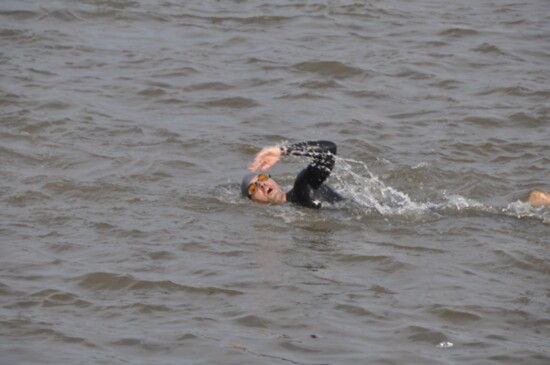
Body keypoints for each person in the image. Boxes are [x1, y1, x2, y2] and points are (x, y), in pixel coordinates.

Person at [241, 140, 344, 209]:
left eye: (262, 178)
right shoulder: (292, 209)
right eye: (253, 188)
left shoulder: (302, 187)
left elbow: (329, 150)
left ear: (273, 180)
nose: (262, 185)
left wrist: (283, 151)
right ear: (253, 201)